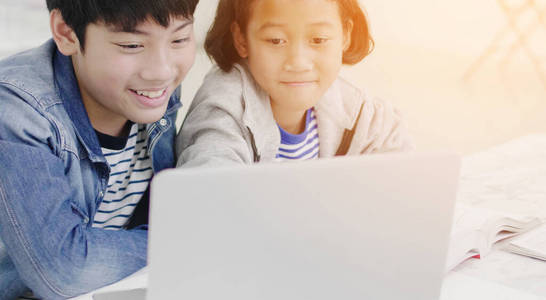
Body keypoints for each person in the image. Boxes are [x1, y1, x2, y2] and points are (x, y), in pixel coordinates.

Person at [0, 0, 198, 298]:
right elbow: (63, 270)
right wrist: (189, 243)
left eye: (179, 39)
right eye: (132, 45)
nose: (161, 71)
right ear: (66, 33)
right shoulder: (18, 111)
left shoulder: (148, 92)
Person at [176, 0, 413, 169]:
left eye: (318, 39)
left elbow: (404, 169)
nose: (298, 63)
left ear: (345, 35)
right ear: (241, 39)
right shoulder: (224, 107)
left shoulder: (354, 107)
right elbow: (208, 184)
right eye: (276, 40)